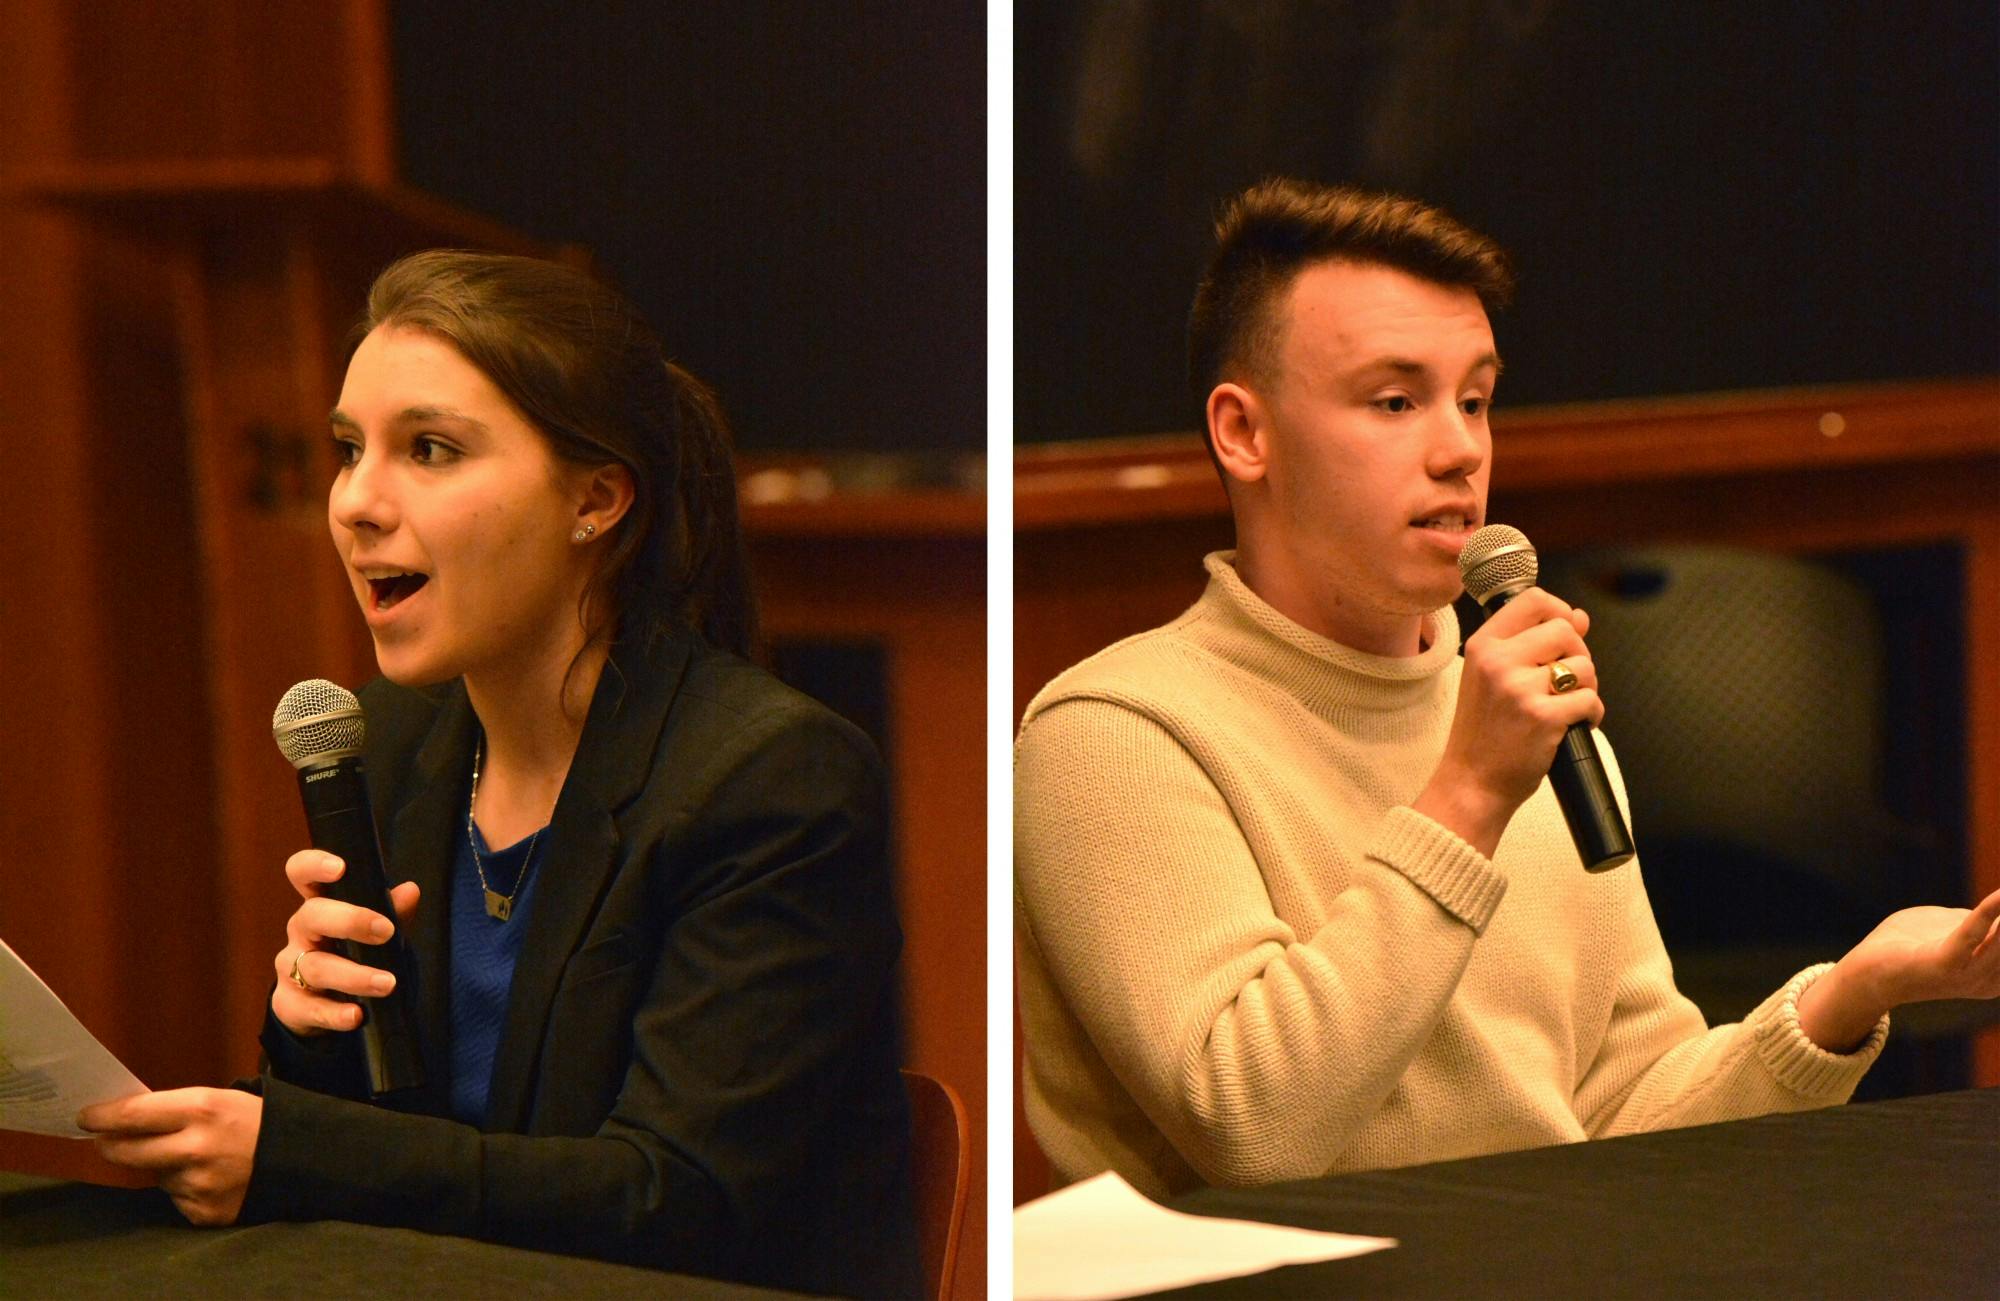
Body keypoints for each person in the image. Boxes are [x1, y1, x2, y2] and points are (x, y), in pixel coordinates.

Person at [1013, 178, 2000, 1200]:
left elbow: (1625, 1114)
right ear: (1242, 433)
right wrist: (1468, 796)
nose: (1458, 450)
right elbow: (1255, 1129)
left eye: (1474, 398)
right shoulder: (1113, 735)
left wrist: (1841, 998)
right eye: (1394, 400)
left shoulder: (1521, 723)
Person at [79, 250, 922, 1298]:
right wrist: (309, 1034)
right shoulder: (387, 739)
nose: (356, 503)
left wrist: (292, 1148)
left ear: (597, 499)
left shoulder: (770, 778)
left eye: (429, 449)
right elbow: (397, 1147)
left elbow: (675, 1200)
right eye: (349, 450)